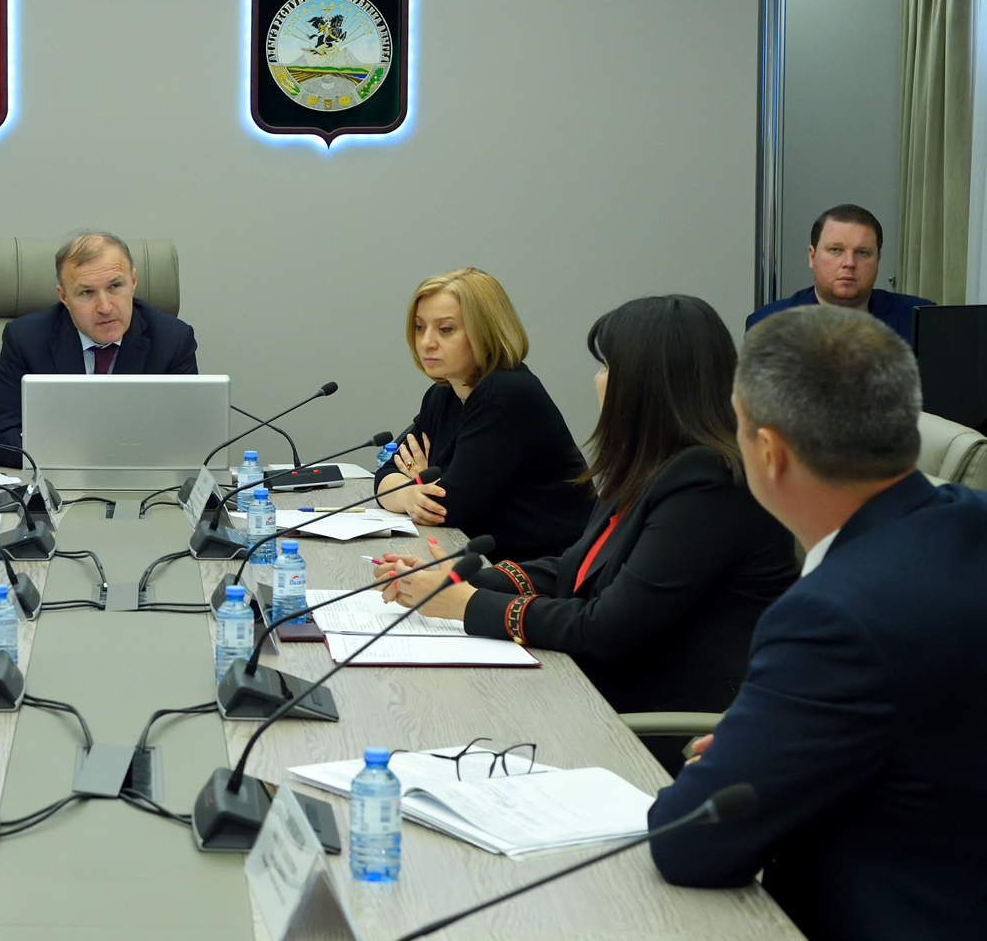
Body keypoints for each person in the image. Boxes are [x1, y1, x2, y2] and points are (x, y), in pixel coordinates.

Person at [649, 307, 987, 940]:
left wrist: (730, 764)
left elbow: (688, 841)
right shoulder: (970, 519)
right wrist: (782, 738)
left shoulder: (830, 615)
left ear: (769, 452)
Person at [376, 295, 799, 771]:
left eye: (607, 367)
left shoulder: (708, 482)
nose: (598, 380)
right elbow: (573, 569)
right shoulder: (652, 465)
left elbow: (604, 628)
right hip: (602, 687)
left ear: (646, 381)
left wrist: (467, 605)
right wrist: (456, 579)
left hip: (662, 726)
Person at [374, 268, 592, 562]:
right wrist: (410, 494)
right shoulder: (443, 393)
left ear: (486, 332)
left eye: (445, 329)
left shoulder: (505, 394)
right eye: (419, 327)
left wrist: (417, 485)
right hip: (488, 562)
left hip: (549, 571)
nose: (426, 342)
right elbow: (385, 470)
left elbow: (449, 508)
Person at [0, 231, 198, 468]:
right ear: (64, 297)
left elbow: (189, 440)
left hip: (143, 482)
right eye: (87, 292)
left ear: (133, 283)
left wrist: (59, 445)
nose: (105, 307)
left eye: (115, 286)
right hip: (57, 485)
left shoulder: (173, 340)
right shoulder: (26, 340)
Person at [746, 203, 932, 344]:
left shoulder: (920, 319)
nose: (849, 263)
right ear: (812, 257)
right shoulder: (768, 326)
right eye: (835, 250)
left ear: (878, 260)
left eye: (862, 253)